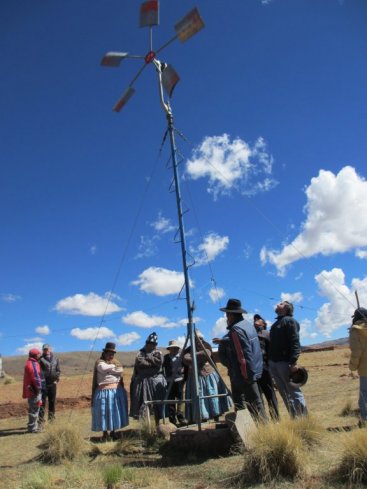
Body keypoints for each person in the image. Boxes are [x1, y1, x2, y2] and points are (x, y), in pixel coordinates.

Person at [213, 298, 266, 421]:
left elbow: (243, 355)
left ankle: (259, 433)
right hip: (255, 371)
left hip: (244, 375)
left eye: (227, 314)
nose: (226, 317)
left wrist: (246, 375)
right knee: (256, 402)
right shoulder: (248, 326)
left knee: (250, 406)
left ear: (230, 314)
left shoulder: (236, 330)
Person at [268, 301, 308, 417]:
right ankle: (294, 419)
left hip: (285, 362)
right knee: (284, 393)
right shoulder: (276, 324)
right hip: (274, 362)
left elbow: (295, 342)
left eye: (281, 303)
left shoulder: (290, 321)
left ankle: (304, 420)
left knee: (293, 391)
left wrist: (293, 362)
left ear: (286, 308)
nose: (277, 304)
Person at [183, 331, 231, 423]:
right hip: (195, 377)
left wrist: (194, 356)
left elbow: (206, 354)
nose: (198, 341)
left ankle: (216, 416)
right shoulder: (188, 349)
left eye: (200, 339)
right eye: (196, 339)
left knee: (212, 395)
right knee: (199, 397)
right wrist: (197, 356)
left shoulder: (207, 346)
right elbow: (186, 358)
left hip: (209, 375)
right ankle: (203, 418)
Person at [91, 342, 129, 441]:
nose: (111, 355)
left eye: (112, 353)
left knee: (114, 412)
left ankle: (113, 432)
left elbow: (120, 370)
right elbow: (102, 368)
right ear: (104, 353)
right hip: (103, 392)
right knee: (104, 412)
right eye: (109, 353)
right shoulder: (99, 362)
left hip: (116, 391)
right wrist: (112, 369)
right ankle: (105, 434)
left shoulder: (117, 362)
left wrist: (110, 370)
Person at [129, 332, 167, 423]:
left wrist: (148, 358)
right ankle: (146, 426)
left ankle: (159, 424)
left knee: (158, 404)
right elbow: (141, 363)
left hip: (156, 382)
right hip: (143, 382)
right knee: (143, 403)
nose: (151, 345)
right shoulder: (140, 353)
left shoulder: (158, 353)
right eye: (150, 343)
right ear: (146, 343)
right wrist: (152, 362)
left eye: (153, 344)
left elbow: (159, 362)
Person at [253, 314, 279, 420]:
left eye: (258, 319)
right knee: (258, 396)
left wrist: (272, 371)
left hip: (266, 369)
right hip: (255, 370)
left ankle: (276, 418)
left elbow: (272, 353)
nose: (255, 321)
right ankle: (264, 420)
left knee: (270, 395)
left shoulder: (267, 334)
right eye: (254, 320)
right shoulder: (252, 335)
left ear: (263, 324)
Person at [349, 307, 367, 427]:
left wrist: (352, 367)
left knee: (364, 394)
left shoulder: (355, 331)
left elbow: (357, 352)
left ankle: (365, 420)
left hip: (365, 368)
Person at [163, 340, 187, 426]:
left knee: (180, 399)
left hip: (179, 380)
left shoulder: (181, 357)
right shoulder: (165, 358)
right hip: (169, 381)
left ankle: (181, 417)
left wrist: (183, 376)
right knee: (171, 401)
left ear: (178, 349)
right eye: (172, 348)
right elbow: (162, 369)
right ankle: (172, 420)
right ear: (169, 349)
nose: (174, 350)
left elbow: (186, 368)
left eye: (176, 348)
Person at [22, 348, 43, 433]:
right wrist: (39, 389)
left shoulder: (29, 363)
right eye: (39, 354)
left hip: (31, 390)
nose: (40, 355)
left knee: (33, 408)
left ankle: (33, 427)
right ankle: (33, 429)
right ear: (35, 355)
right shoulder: (33, 364)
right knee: (35, 409)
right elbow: (36, 378)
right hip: (34, 391)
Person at [39, 344, 60, 424]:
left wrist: (56, 380)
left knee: (52, 402)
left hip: (52, 383)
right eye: (44, 349)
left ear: (50, 349)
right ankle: (41, 421)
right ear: (43, 350)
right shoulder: (40, 359)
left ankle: (51, 420)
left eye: (47, 349)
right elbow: (39, 371)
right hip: (43, 384)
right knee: (42, 403)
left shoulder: (56, 359)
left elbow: (58, 370)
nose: (46, 351)